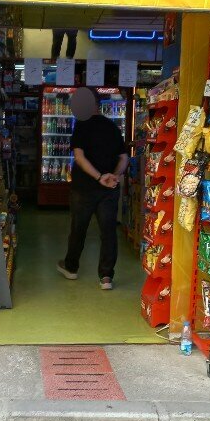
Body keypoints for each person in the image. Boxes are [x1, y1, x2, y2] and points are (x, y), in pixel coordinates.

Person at [57, 88, 129, 290]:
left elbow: (80, 158)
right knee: (108, 232)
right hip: (109, 190)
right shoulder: (112, 127)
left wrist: (99, 177)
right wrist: (114, 176)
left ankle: (71, 268)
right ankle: (106, 277)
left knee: (78, 229)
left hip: (83, 189)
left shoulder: (82, 125)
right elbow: (124, 158)